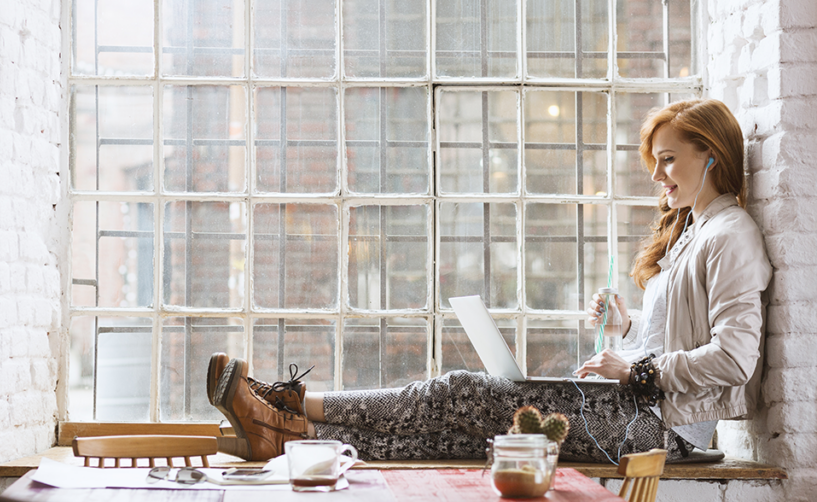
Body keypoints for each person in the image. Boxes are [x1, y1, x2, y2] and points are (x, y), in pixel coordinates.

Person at [207, 99, 772, 463]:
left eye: (669, 160)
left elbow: (735, 357)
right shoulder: (695, 234)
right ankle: (285, 437)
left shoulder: (731, 235)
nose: (657, 175)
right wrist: (625, 329)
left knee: (458, 393)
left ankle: (293, 401)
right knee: (455, 436)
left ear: (712, 156)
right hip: (640, 413)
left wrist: (636, 367)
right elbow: (672, 343)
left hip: (664, 432)